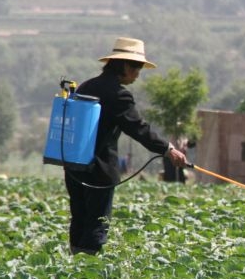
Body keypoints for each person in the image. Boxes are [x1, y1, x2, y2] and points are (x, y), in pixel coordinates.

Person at [65, 37, 188, 255]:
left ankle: (74, 269)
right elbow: (139, 128)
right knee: (97, 222)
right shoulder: (118, 94)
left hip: (74, 166)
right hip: (99, 170)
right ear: (124, 65)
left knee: (80, 217)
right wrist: (168, 150)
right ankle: (85, 273)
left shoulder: (86, 86)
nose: (138, 74)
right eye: (137, 67)